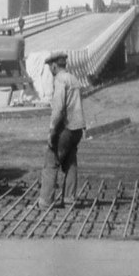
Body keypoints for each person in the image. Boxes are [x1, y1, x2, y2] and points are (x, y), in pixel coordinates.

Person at [39, 51, 86, 209]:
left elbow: (58, 109)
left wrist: (52, 131)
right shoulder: (73, 78)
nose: (50, 70)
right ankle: (69, 199)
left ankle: (45, 201)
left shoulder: (60, 80)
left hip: (65, 128)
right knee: (71, 162)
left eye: (49, 67)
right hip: (77, 129)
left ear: (53, 66)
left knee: (51, 161)